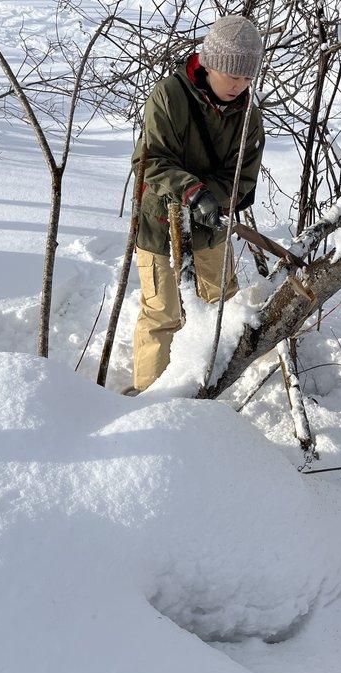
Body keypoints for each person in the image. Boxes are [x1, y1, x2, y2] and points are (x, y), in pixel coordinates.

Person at [129, 15, 265, 393]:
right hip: (159, 222)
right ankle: (147, 402)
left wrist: (211, 198)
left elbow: (244, 180)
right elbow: (150, 162)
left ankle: (217, 393)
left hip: (213, 227)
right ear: (208, 64)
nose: (238, 85)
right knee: (161, 315)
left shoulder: (248, 115)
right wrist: (191, 192)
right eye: (230, 74)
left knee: (223, 304)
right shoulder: (170, 96)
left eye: (245, 76)